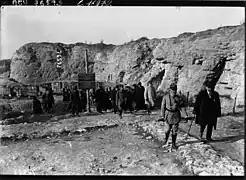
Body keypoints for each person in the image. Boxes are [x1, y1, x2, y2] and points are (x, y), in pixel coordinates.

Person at [160, 83, 188, 150]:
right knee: (167, 129)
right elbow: (162, 107)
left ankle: (173, 143)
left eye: (175, 90)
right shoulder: (165, 97)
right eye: (172, 90)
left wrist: (185, 115)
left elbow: (181, 107)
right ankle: (166, 140)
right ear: (170, 90)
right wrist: (162, 115)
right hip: (168, 115)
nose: (174, 92)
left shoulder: (178, 98)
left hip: (176, 115)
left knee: (174, 131)